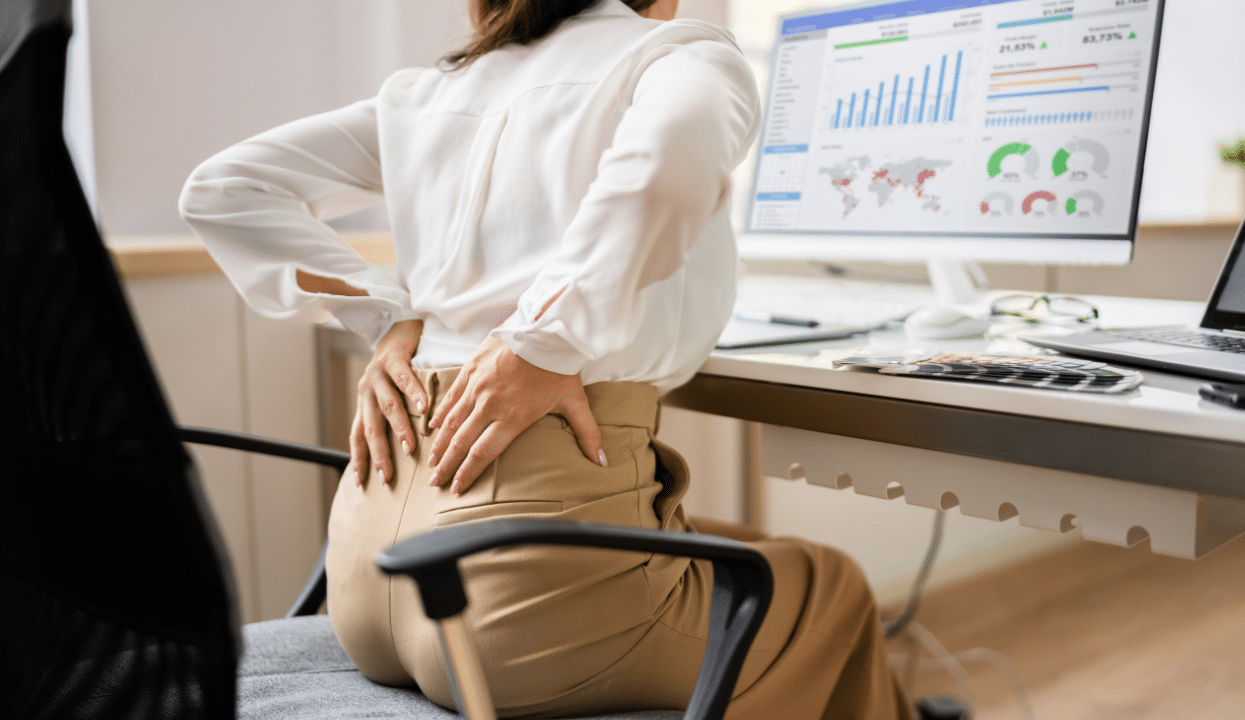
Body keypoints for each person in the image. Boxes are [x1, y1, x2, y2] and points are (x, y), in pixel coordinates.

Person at [180, 0, 912, 717]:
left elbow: (224, 188)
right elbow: (668, 162)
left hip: (366, 584)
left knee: (737, 546)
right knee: (831, 588)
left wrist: (387, 314)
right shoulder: (678, 54)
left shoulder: (428, 92)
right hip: (520, 616)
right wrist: (545, 338)